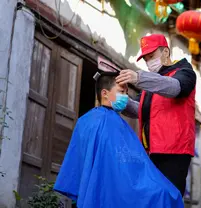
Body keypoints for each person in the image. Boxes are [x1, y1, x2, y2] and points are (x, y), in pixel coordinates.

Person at [54, 71, 183, 208]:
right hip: (115, 186)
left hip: (115, 184)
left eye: (126, 93)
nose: (125, 97)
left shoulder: (88, 121)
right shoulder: (97, 123)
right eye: (122, 91)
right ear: (105, 93)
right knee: (165, 194)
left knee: (165, 192)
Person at [116, 34, 196, 195]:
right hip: (150, 151)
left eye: (151, 56)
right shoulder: (152, 83)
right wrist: (122, 101)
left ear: (166, 52)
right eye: (145, 59)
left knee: (168, 199)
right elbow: (140, 109)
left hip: (175, 151)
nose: (148, 62)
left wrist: (139, 77)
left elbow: (174, 88)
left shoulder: (185, 72)